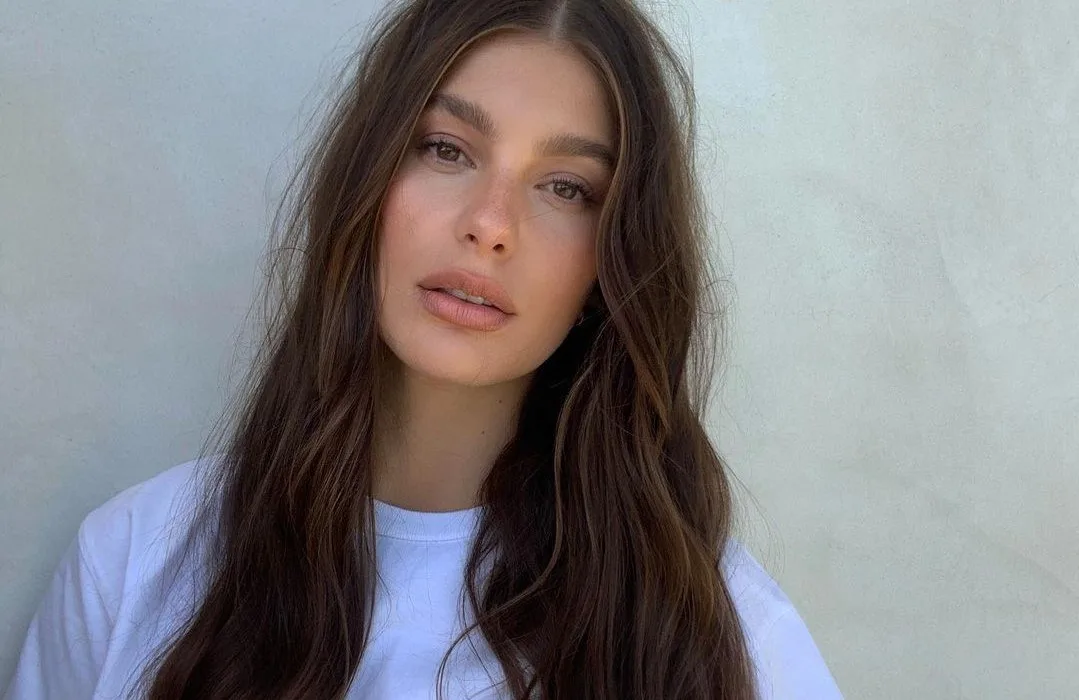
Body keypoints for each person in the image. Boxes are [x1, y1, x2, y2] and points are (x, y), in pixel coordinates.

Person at [4, 0, 843, 698]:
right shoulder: (134, 566)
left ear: (612, 260)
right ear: (366, 180)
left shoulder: (718, 642)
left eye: (566, 188)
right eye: (447, 149)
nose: (489, 223)